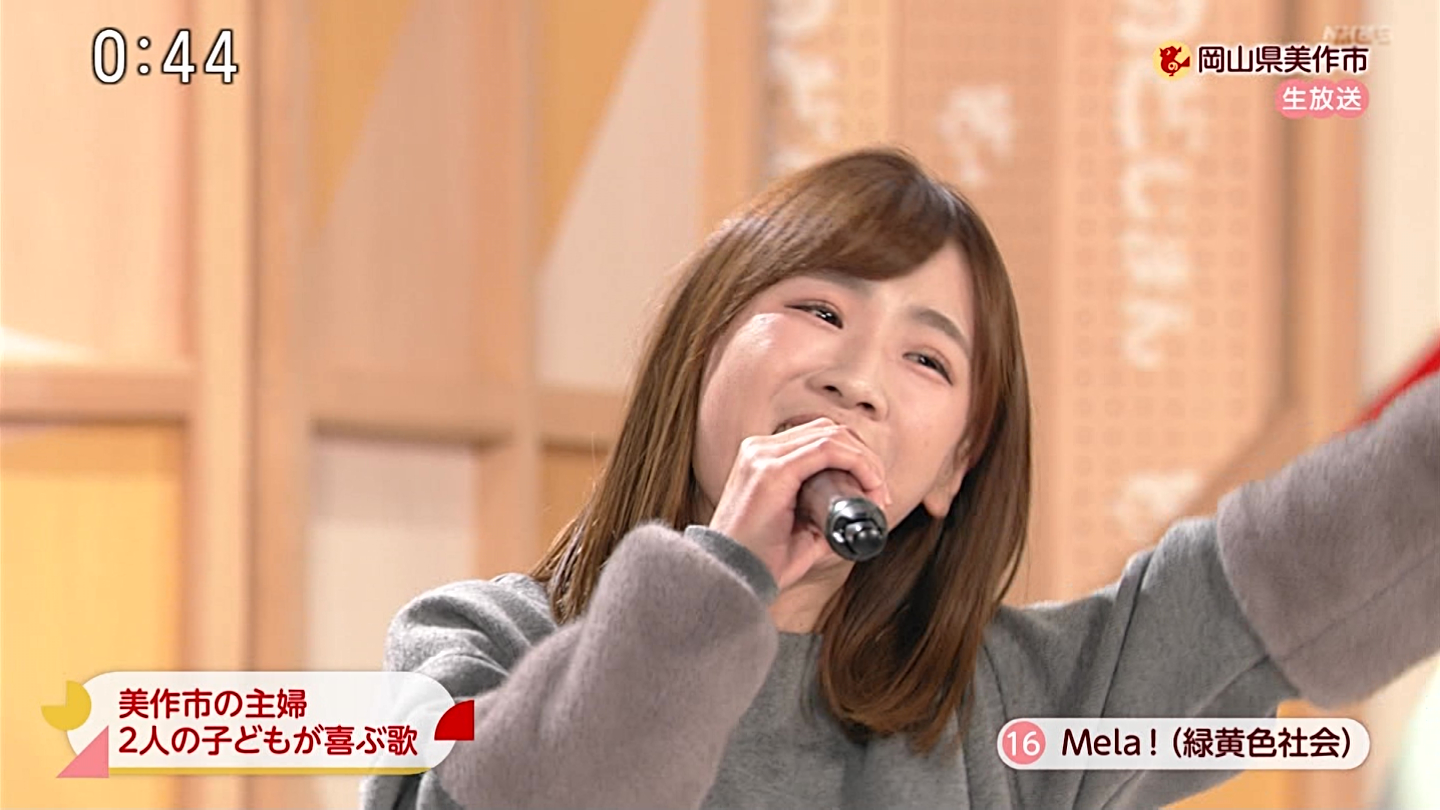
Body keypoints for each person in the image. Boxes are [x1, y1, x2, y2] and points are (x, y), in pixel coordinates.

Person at [360, 148, 1440, 809]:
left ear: (953, 467)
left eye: (927, 359)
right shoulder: (476, 642)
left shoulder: (1007, 707)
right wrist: (722, 578)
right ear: (701, 350)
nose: (858, 380)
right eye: (818, 309)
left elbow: (1290, 576)